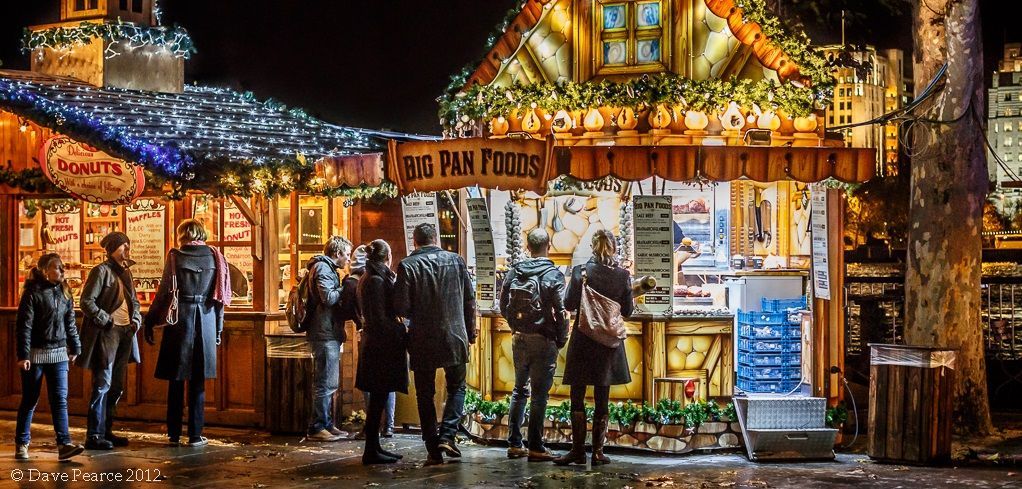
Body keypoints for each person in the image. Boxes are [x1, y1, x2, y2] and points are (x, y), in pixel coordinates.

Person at [394, 223, 476, 466]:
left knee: (425, 393)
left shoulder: (407, 265)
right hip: (455, 335)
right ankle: (448, 435)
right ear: (436, 238)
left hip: (422, 338)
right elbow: (469, 300)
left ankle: (433, 446)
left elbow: (401, 306)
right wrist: (470, 332)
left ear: (415, 241)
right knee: (457, 387)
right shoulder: (457, 261)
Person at [144, 219, 231, 447]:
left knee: (176, 379)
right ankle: (195, 434)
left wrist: (150, 321)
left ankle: (173, 433)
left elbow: (164, 292)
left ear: (182, 234)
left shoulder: (175, 256)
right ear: (203, 233)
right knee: (198, 381)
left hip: (179, 321)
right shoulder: (216, 258)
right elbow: (219, 298)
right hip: (207, 318)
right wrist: (219, 329)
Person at [554, 230, 634, 466]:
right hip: (608, 344)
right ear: (614, 248)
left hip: (583, 340)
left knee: (577, 396)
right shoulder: (622, 276)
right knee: (602, 396)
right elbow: (628, 311)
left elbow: (568, 304)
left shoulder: (581, 272)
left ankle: (577, 451)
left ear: (592, 247)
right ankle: (598, 452)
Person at [499, 229, 567, 462]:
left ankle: (514, 444)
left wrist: (514, 326)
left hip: (519, 337)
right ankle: (536, 446)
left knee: (519, 390)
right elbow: (561, 311)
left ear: (528, 247)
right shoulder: (553, 275)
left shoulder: (515, 271)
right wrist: (561, 338)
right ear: (548, 245)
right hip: (543, 338)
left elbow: (502, 304)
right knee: (539, 395)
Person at [15, 253, 85, 461]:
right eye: (57, 267)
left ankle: (64, 445)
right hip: (35, 355)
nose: (62, 271)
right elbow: (24, 326)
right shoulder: (32, 293)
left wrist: (75, 347)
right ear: (45, 270)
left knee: (60, 401)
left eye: (62, 267)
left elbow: (70, 323)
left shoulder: (65, 292)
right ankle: (22, 443)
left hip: (59, 354)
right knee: (30, 399)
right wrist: (23, 355)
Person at [78, 232, 143, 450]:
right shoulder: (101, 271)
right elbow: (86, 301)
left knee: (116, 386)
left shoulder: (127, 273)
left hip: (126, 332)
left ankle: (106, 431)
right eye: (123, 245)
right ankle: (94, 434)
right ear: (112, 248)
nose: (127, 249)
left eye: (128, 245)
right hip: (107, 333)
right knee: (102, 384)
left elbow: (134, 301)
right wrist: (105, 320)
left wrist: (135, 321)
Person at [355, 239, 409, 465]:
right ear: (387, 257)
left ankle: (375, 447)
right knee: (377, 398)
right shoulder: (376, 280)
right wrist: (401, 329)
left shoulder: (370, 277)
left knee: (379, 397)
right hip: (380, 347)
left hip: (377, 345)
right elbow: (378, 319)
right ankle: (371, 450)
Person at [303, 235, 353, 442]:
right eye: (347, 255)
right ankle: (317, 427)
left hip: (328, 331)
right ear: (337, 253)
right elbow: (328, 297)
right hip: (323, 332)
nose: (348, 260)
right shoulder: (323, 269)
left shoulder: (326, 268)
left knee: (329, 381)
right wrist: (346, 287)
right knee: (324, 382)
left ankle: (326, 423)